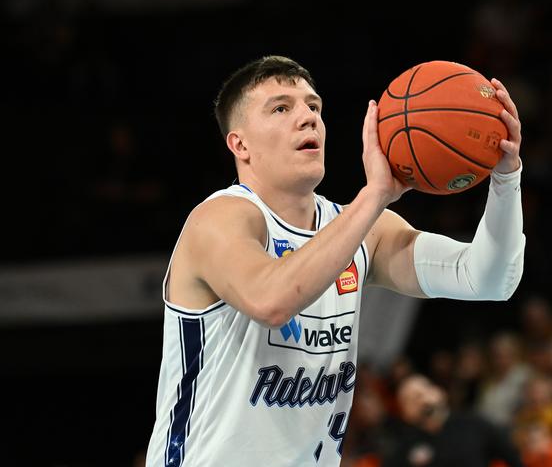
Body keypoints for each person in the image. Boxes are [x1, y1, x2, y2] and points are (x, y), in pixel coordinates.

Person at [145, 55, 525, 466]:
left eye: (314, 106)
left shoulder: (363, 229)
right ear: (240, 144)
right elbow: (272, 299)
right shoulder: (218, 219)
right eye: (281, 107)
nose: (307, 118)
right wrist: (375, 196)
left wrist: (506, 177)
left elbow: (486, 279)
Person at [383, 374, 524, 466]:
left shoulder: (475, 425)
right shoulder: (402, 447)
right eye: (409, 399)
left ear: (440, 393)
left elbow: (514, 459)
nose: (419, 401)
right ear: (405, 413)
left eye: (422, 393)